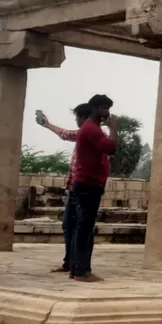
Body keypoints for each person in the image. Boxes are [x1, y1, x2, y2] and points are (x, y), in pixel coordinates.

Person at [36, 103, 92, 274]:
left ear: (82, 118)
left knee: (81, 228)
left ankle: (80, 265)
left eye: (77, 117)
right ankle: (70, 262)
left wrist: (47, 124)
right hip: (74, 188)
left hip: (84, 188)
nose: (76, 120)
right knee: (69, 226)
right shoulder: (86, 134)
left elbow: (66, 134)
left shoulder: (89, 133)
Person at [67, 93, 118, 282]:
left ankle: (77, 268)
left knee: (83, 227)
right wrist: (113, 128)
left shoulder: (91, 128)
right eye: (104, 108)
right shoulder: (92, 129)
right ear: (95, 108)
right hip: (88, 183)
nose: (107, 113)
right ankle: (80, 270)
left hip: (90, 183)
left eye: (108, 109)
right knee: (84, 227)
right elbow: (112, 147)